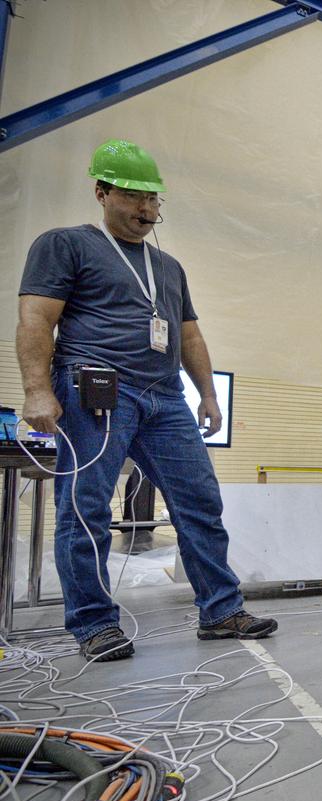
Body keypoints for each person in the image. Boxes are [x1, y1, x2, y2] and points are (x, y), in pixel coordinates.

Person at [16, 139, 278, 661]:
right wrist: (37, 390)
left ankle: (221, 611)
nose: (146, 210)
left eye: (154, 200)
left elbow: (191, 336)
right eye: (134, 197)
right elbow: (36, 318)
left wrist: (207, 394)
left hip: (165, 397)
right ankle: (94, 624)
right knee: (85, 507)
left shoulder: (169, 267)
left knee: (200, 501)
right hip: (97, 387)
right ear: (101, 191)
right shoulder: (64, 244)